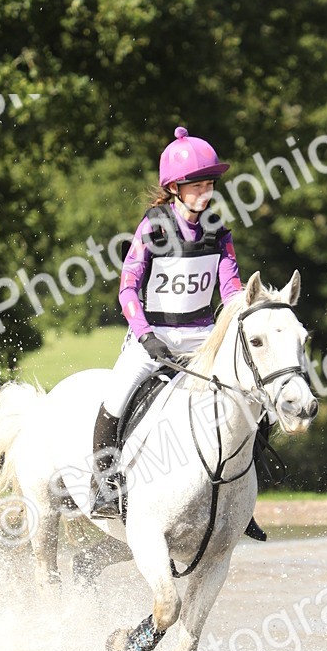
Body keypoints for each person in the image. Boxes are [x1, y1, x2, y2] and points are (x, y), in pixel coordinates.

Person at [89, 125, 267, 541]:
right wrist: (144, 332)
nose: (205, 192)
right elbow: (128, 286)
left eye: (209, 184)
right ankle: (105, 485)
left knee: (253, 401)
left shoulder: (219, 230)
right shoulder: (153, 228)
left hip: (203, 340)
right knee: (115, 401)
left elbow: (230, 285)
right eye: (197, 185)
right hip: (153, 338)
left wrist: (244, 310)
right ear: (175, 189)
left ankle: (243, 505)